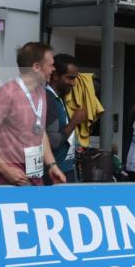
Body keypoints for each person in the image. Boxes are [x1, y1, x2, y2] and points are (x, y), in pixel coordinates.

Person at [0, 42, 66, 186]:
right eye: (51, 65)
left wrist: (52, 165)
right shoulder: (8, 93)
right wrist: (5, 169)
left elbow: (40, 131)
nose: (54, 69)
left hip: (34, 178)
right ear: (36, 67)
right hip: (8, 180)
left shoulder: (41, 93)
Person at [44, 53, 88, 184]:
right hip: (54, 173)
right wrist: (74, 121)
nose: (73, 83)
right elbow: (53, 142)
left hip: (66, 168)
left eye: (75, 78)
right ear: (56, 76)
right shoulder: (48, 99)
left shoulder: (60, 98)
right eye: (70, 78)